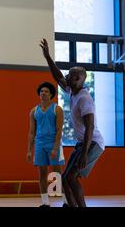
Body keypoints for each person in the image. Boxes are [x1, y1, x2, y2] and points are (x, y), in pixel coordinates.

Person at [39, 38, 104, 207]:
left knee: (70, 177)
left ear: (82, 80)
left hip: (93, 143)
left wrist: (84, 154)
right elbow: (58, 76)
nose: (70, 79)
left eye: (75, 78)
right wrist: (47, 56)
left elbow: (90, 127)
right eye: (70, 75)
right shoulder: (71, 90)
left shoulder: (84, 98)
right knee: (66, 178)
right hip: (83, 143)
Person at [27, 82, 66, 207]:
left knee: (57, 175)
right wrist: (29, 150)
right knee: (42, 174)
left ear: (51, 95)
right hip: (40, 144)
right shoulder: (34, 111)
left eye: (46, 91)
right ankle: (45, 202)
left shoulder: (57, 109)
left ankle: (66, 200)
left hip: (53, 144)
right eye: (41, 91)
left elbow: (59, 130)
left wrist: (55, 148)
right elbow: (32, 132)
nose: (43, 93)